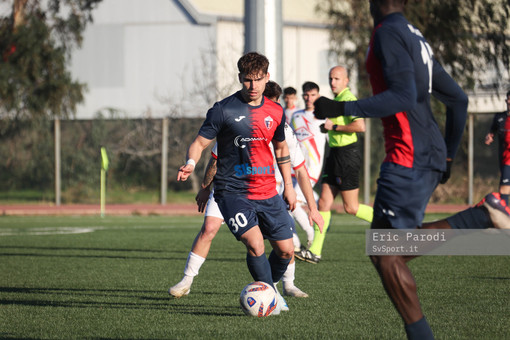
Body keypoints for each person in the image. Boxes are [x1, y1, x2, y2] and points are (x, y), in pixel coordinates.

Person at [312, 0, 510, 339]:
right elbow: (458, 100)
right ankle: (480, 216)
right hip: (426, 152)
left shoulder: (388, 33)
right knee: (384, 250)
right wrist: (446, 156)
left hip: (408, 155)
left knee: (386, 254)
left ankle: (479, 218)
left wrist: (343, 107)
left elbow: (402, 97)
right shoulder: (414, 35)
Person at [170, 81, 323, 300]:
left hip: (267, 191)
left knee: (284, 244)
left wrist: (311, 207)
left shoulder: (284, 131)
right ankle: (187, 280)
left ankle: (286, 285)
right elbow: (215, 157)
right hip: (229, 188)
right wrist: (205, 188)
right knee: (211, 228)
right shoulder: (237, 120)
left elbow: (300, 170)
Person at [296, 66, 373, 264]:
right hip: (335, 155)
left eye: (337, 79)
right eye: (331, 79)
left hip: (348, 156)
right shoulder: (336, 101)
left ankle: (392, 227)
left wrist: (335, 126)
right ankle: (315, 251)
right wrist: (328, 129)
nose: (333, 82)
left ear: (346, 80)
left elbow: (360, 126)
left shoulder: (348, 99)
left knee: (351, 207)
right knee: (323, 203)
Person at [288, 81, 328, 250]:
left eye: (312, 95)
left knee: (293, 203)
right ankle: (295, 244)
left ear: (317, 96)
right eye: (306, 94)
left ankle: (310, 234)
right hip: (293, 167)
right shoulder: (296, 116)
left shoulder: (324, 118)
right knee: (286, 204)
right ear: (302, 96)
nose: (309, 98)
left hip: (311, 169)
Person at [484, 90, 510, 205]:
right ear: (506, 100)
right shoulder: (500, 117)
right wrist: (490, 136)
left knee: (504, 187)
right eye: (509, 99)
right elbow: (492, 131)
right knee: (504, 188)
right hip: (504, 157)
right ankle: (505, 216)